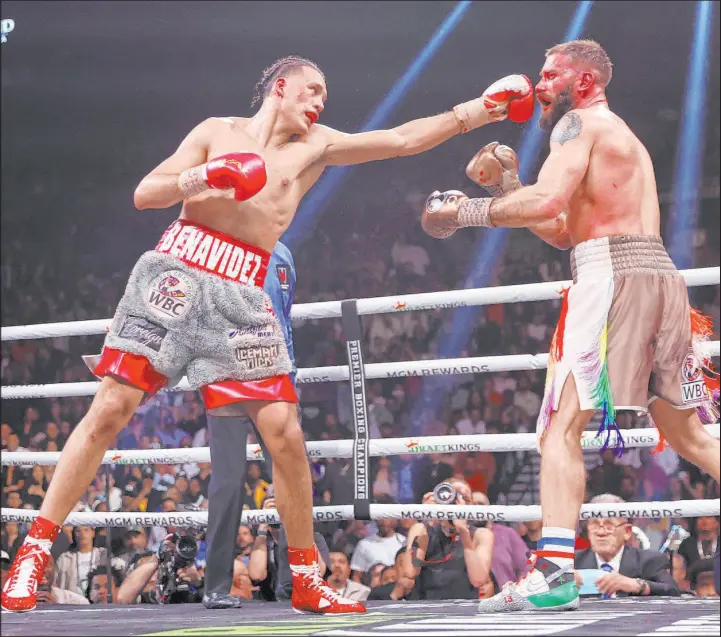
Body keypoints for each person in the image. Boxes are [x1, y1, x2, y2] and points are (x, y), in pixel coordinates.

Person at [1, 54, 534, 614]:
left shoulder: (319, 145)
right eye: (313, 90)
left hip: (243, 290)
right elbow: (146, 193)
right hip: (179, 269)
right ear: (281, 87)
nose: (320, 101)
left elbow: (401, 139)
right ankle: (33, 553)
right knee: (112, 405)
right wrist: (204, 176)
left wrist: (482, 109)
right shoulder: (216, 131)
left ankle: (306, 576)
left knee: (283, 432)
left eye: (324, 95)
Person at [420, 39, 720, 612]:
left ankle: (553, 571)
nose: (539, 84)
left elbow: (547, 203)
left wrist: (463, 212)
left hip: (610, 280)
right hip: (656, 277)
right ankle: (554, 569)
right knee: (690, 436)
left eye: (549, 74)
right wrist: (506, 191)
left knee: (558, 428)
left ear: (583, 81)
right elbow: (563, 227)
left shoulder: (578, 122)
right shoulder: (616, 132)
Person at [202, 241, 295, 609]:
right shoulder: (215, 248)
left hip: (273, 378)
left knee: (290, 477)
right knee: (226, 481)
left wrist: (290, 369)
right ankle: (216, 586)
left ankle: (296, 580)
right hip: (225, 377)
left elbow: (283, 317)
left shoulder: (283, 254)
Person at [404, 478, 494, 599]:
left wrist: (464, 534)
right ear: (440, 499)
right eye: (452, 499)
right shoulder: (420, 529)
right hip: (427, 607)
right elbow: (410, 572)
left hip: (464, 610)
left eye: (464, 499)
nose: (456, 505)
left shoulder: (481, 534)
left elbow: (478, 580)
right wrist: (425, 519)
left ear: (471, 505)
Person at [574, 495, 679, 597]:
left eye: (609, 525)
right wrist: (563, 583)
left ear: (627, 532)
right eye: (595, 525)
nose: (601, 532)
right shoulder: (573, 562)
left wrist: (637, 585)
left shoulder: (649, 561)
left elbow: (672, 591)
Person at [247, 495, 331, 602]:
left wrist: (299, 524)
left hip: (306, 601)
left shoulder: (314, 538)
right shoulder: (262, 541)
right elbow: (257, 575)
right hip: (269, 606)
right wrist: (263, 521)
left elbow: (318, 573)